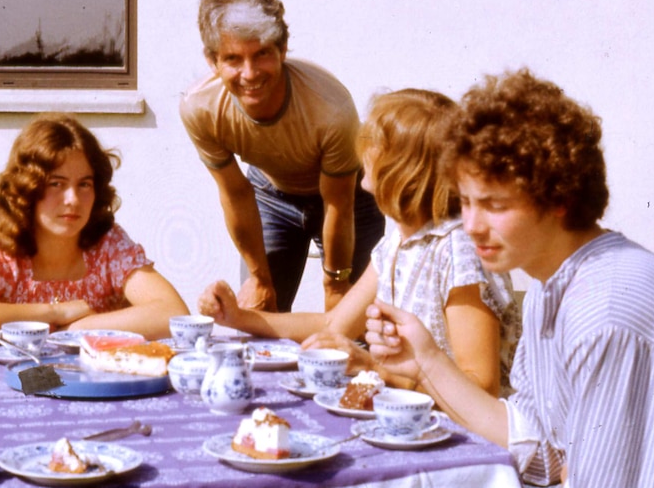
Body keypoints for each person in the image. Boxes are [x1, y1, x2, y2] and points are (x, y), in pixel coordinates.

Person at [365, 69, 654, 486]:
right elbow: (534, 444)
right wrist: (425, 361)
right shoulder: (551, 285)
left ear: (558, 197)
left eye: (494, 206)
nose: (470, 225)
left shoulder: (607, 308)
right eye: (466, 202)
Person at [198, 89, 520, 395]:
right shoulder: (399, 243)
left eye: (375, 141)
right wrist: (238, 317)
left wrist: (373, 368)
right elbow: (332, 324)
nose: (363, 148)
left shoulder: (458, 249)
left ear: (404, 168)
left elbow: (482, 387)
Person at [179, 0, 385, 313]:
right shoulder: (199, 107)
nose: (249, 73)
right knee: (258, 316)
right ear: (212, 61)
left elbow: (339, 203)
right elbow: (235, 192)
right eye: (233, 59)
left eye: (261, 54)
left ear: (283, 49)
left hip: (346, 199)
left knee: (352, 325)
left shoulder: (330, 108)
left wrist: (335, 283)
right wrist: (260, 279)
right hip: (270, 193)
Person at [0, 114, 190, 347]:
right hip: (20, 385)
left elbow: (174, 314)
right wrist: (55, 313)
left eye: (84, 184)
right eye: (56, 183)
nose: (73, 199)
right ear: (28, 189)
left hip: (91, 389)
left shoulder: (108, 246)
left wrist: (77, 329)